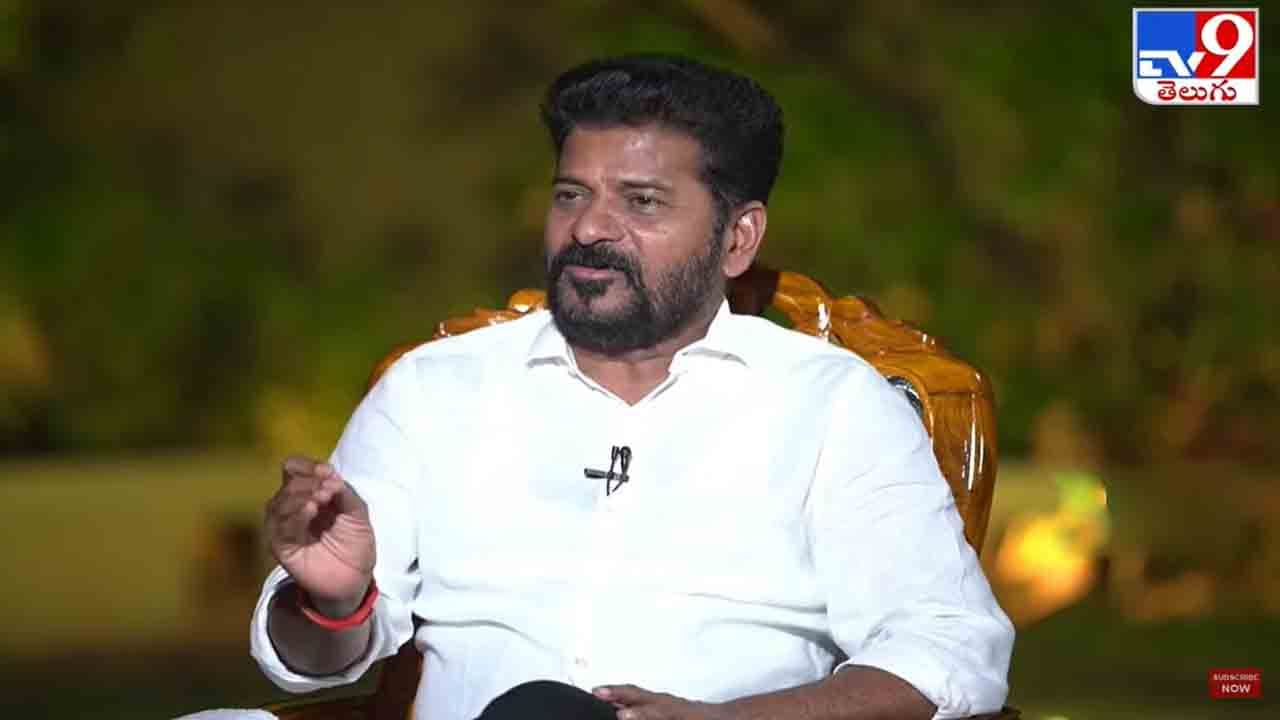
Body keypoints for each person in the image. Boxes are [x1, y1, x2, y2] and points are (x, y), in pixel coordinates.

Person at [251, 54, 1014, 720]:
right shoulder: (434, 389)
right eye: (570, 195)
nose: (589, 229)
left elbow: (948, 651)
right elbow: (314, 661)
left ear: (738, 238)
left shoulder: (834, 405)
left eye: (641, 201)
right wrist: (333, 602)